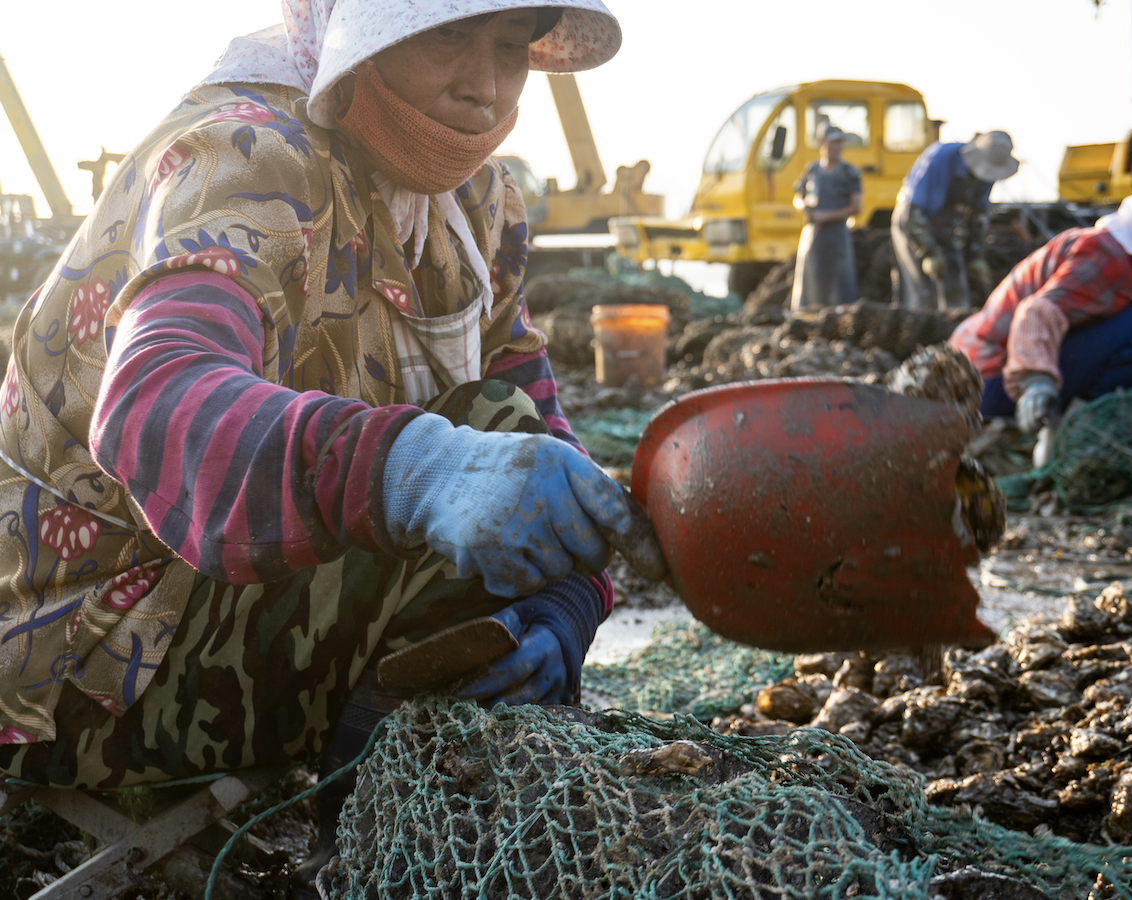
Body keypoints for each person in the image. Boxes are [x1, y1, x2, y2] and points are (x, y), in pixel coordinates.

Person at [0, 0, 658, 888]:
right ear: (365, 42)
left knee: (503, 447)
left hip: (232, 604)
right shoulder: (241, 158)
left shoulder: (480, 204)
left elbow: (534, 417)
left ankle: (417, 833)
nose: (485, 85)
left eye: (510, 49)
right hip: (88, 661)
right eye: (446, 36)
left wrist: (572, 596)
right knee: (474, 448)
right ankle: (378, 866)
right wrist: (419, 472)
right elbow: (156, 402)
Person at [949, 166, 1132, 457]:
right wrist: (1035, 382)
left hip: (988, 377)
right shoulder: (1107, 253)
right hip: (985, 380)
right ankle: (1074, 433)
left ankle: (1071, 428)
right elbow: (1037, 312)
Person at [891, 131, 1019, 311]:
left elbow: (977, 216)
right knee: (922, 290)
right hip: (913, 222)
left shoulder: (987, 176)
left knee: (956, 287)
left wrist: (975, 255)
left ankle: (955, 330)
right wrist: (928, 252)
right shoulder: (940, 158)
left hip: (948, 227)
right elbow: (914, 212)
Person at [790, 124, 862, 311]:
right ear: (821, 142)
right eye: (833, 143)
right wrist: (804, 207)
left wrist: (826, 216)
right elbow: (797, 196)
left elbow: (856, 207)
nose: (837, 147)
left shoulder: (849, 172)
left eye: (839, 143)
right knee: (811, 288)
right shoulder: (812, 170)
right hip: (813, 237)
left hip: (837, 237)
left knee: (841, 288)